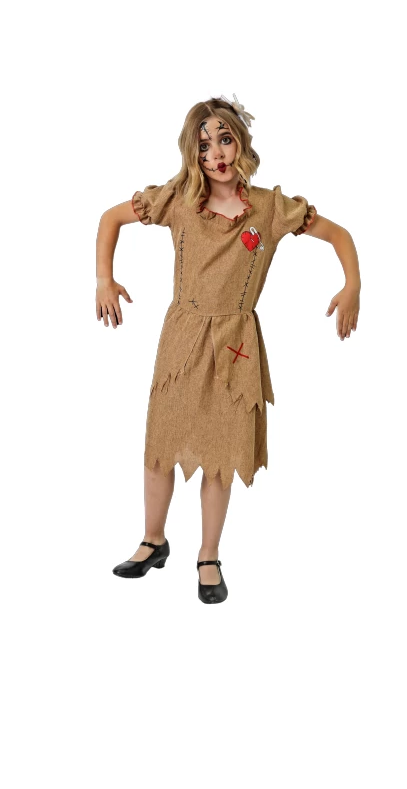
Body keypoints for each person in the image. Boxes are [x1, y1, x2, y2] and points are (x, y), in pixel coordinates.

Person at [94, 94, 361, 603]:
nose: (215, 153)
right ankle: (153, 539)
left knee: (220, 453)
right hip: (182, 335)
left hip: (236, 342)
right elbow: (110, 219)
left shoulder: (269, 209)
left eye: (223, 139)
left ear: (240, 142)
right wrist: (104, 279)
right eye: (203, 146)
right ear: (191, 154)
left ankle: (209, 555)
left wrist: (353, 285)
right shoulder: (178, 200)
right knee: (161, 444)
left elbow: (339, 235)